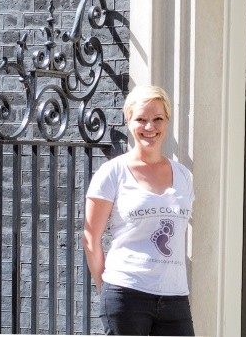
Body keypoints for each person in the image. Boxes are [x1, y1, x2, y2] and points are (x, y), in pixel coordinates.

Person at [82, 85, 195, 336]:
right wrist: (106, 287)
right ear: (129, 120)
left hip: (175, 295)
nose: (149, 127)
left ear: (167, 121)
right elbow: (91, 238)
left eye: (157, 119)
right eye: (141, 119)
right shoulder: (112, 173)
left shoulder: (183, 176)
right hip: (127, 293)